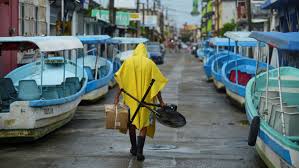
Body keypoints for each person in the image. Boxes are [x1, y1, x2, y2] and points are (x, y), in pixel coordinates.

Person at [114, 43, 168, 161]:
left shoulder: (128, 62)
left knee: (131, 124)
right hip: (146, 102)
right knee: (143, 125)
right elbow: (157, 85)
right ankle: (140, 152)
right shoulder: (150, 64)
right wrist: (161, 102)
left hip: (130, 100)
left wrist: (117, 97)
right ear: (145, 52)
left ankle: (133, 148)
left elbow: (121, 82)